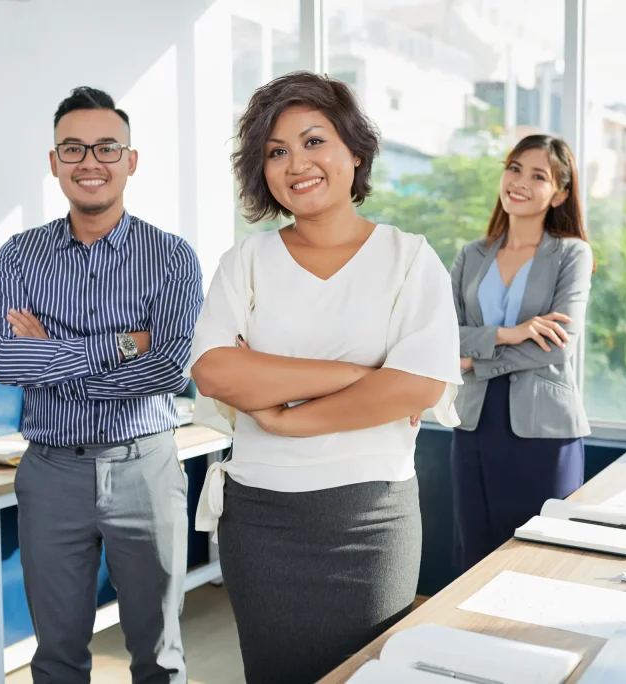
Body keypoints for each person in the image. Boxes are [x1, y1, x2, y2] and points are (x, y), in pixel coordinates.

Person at [185, 71, 461, 684]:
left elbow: (419, 387)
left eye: (314, 142)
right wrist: (362, 376)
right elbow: (214, 370)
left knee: (368, 674)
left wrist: (289, 415)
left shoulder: (410, 258)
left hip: (371, 518)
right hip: (260, 521)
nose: (296, 163)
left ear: (354, 152)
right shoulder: (246, 261)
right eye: (276, 151)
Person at [0, 86, 202, 684]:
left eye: (107, 147)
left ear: (131, 160)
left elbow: (170, 369)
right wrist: (122, 343)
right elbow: (4, 361)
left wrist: (51, 358)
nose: (90, 162)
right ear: (54, 163)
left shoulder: (172, 257)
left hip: (145, 468)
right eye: (73, 148)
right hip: (50, 472)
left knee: (159, 654)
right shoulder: (19, 256)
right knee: (55, 657)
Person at [449, 134, 593, 574]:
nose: (520, 182)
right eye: (514, 169)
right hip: (473, 424)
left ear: (560, 193)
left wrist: (478, 358)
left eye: (538, 176)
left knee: (541, 561)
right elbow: (446, 338)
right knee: (475, 554)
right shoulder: (470, 256)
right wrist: (511, 335)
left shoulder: (572, 254)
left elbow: (557, 344)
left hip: (545, 430)